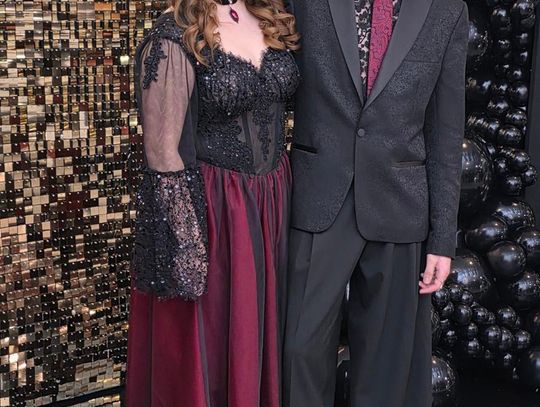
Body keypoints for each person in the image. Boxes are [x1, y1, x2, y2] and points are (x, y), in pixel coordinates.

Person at [283, 0, 468, 406]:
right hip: (318, 197)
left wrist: (442, 239)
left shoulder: (448, 9)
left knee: (388, 369)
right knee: (298, 350)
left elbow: (446, 132)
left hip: (401, 205)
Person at [126, 1, 299, 406]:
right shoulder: (174, 33)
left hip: (274, 203)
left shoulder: (271, 14)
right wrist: (187, 244)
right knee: (217, 338)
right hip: (218, 213)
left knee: (266, 335)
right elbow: (162, 155)